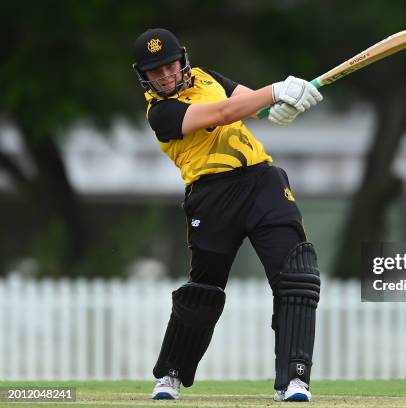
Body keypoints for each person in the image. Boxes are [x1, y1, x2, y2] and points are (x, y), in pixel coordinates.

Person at [132, 28, 323, 402]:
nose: (166, 75)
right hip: (211, 196)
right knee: (204, 291)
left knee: (297, 275)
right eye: (155, 72)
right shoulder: (161, 113)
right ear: (144, 76)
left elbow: (251, 103)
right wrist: (275, 91)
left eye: (169, 65)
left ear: (181, 59)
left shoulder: (208, 77)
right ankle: (171, 374)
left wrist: (280, 106)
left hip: (263, 183)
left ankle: (294, 380)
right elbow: (221, 113)